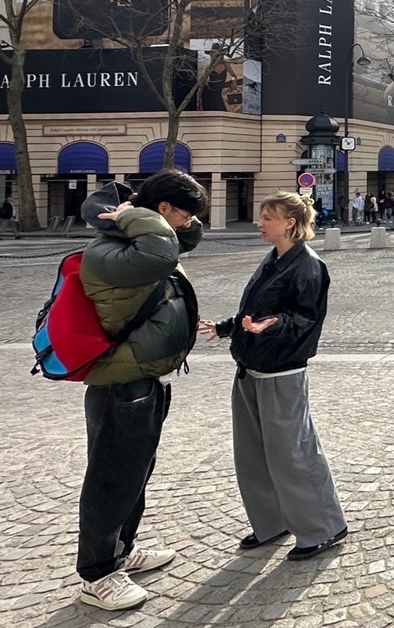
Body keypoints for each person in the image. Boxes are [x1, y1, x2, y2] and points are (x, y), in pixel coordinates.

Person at [74, 170, 207, 611]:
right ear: (162, 211)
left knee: (135, 474)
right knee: (111, 478)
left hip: (143, 377)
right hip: (119, 383)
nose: (188, 224)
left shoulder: (141, 239)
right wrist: (139, 215)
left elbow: (183, 241)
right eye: (183, 214)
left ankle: (121, 551)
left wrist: (149, 215)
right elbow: (160, 254)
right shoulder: (108, 250)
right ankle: (97, 574)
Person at [199, 192, 348, 562]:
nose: (259, 222)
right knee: (252, 454)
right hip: (250, 368)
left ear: (290, 223)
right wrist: (225, 328)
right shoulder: (273, 260)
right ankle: (273, 522)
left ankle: (324, 526)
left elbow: (305, 322)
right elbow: (253, 312)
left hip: (282, 372)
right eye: (261, 216)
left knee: (292, 453)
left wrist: (274, 325)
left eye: (268, 217)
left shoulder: (308, 267)